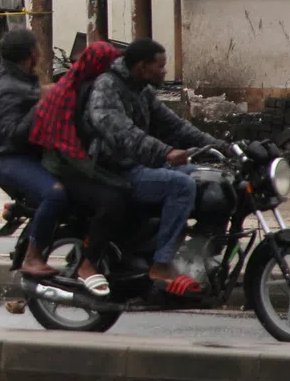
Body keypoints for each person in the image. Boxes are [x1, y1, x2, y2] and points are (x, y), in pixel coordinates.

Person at [83, 37, 229, 292]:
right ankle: (161, 263)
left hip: (141, 164)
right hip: (115, 169)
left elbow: (175, 125)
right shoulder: (107, 87)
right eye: (160, 66)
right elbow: (120, 131)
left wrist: (223, 147)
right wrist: (165, 151)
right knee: (181, 185)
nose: (164, 71)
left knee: (210, 179)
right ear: (141, 67)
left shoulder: (142, 90)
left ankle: (199, 251)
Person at [31, 41, 130, 298]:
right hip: (62, 168)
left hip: (77, 163)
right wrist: (100, 174)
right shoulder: (70, 93)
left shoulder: (92, 88)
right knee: (114, 199)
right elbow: (68, 149)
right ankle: (88, 264)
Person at [0, 28, 65, 278]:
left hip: (26, 155)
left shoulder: (20, 76)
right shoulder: (6, 86)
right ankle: (32, 257)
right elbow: (14, 134)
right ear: (33, 52)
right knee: (55, 195)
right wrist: (41, 106)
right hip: (9, 159)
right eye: (38, 47)